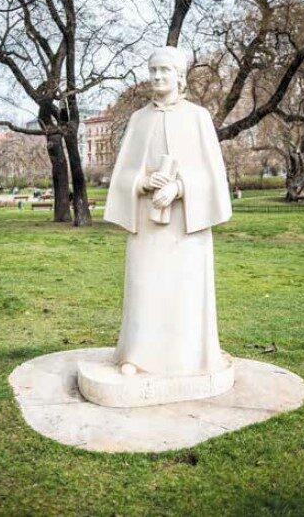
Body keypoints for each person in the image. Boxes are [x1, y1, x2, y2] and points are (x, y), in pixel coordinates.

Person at [104, 46, 232, 377]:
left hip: (187, 224)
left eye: (165, 70)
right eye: (153, 70)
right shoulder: (138, 119)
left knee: (184, 289)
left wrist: (179, 188)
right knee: (145, 287)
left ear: (179, 76)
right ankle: (137, 355)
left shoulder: (198, 117)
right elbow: (122, 176)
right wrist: (144, 182)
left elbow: (214, 176)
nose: (158, 76)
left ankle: (188, 356)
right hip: (147, 223)